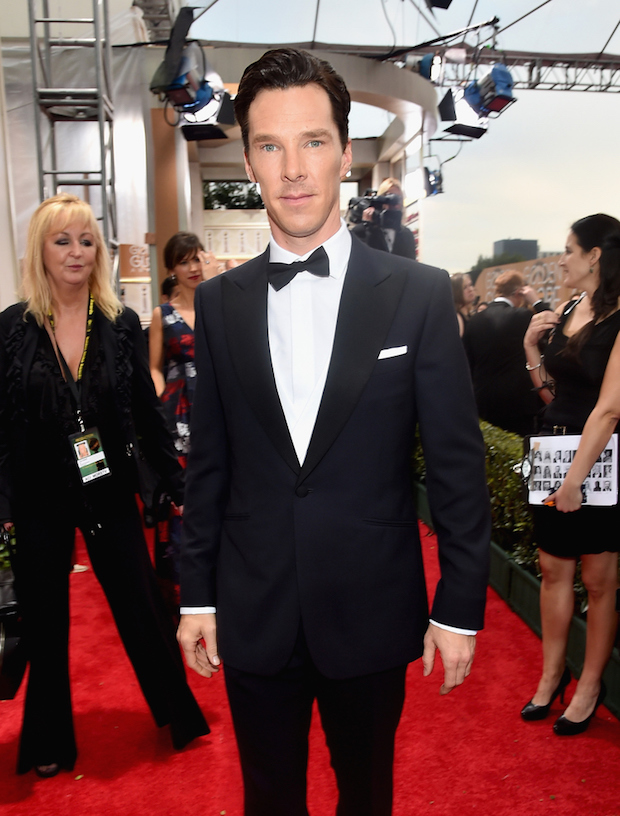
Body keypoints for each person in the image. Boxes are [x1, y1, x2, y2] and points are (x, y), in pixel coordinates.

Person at [177, 48, 490, 816]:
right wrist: (195, 597)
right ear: (248, 158)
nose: (293, 169)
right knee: (269, 800)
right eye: (271, 145)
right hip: (254, 609)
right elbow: (209, 465)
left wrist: (457, 606)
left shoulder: (417, 296)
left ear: (344, 154)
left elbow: (456, 464)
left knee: (367, 798)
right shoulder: (220, 305)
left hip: (372, 610)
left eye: (313, 141)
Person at [0, 194, 208, 778]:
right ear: (39, 250)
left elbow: (147, 413)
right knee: (45, 620)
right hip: (41, 493)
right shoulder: (11, 329)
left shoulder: (120, 325)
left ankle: (178, 713)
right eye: (62, 240)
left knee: (140, 605)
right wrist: (5, 501)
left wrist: (172, 478)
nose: (76, 252)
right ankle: (47, 741)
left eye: (86, 241)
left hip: (108, 484)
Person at [521, 213, 620, 736]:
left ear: (594, 256)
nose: (561, 258)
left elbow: (607, 410)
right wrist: (533, 352)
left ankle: (589, 686)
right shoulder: (568, 308)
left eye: (567, 249)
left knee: (599, 580)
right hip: (551, 450)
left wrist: (576, 480)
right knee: (553, 570)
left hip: (600, 461)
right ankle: (551, 675)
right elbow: (555, 396)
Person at [149, 232, 212, 604]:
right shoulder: (163, 314)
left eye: (196, 259)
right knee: (181, 496)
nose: (192, 268)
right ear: (171, 268)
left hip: (217, 407)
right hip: (178, 415)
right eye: (183, 261)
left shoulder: (218, 302)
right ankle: (178, 588)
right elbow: (154, 367)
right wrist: (160, 405)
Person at [463, 270, 549, 436]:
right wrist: (537, 302)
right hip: (518, 403)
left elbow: (468, 361)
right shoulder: (523, 316)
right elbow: (553, 328)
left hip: (484, 400)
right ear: (519, 292)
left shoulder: (475, 320)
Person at [350, 177, 416, 260]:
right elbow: (360, 260)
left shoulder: (407, 234)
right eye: (390, 197)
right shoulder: (360, 231)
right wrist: (369, 228)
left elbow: (412, 266)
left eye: (398, 199)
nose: (394, 204)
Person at [451, 272, 477, 337]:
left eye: (470, 285)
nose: (470, 289)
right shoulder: (458, 318)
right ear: (456, 292)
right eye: (465, 287)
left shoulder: (469, 315)